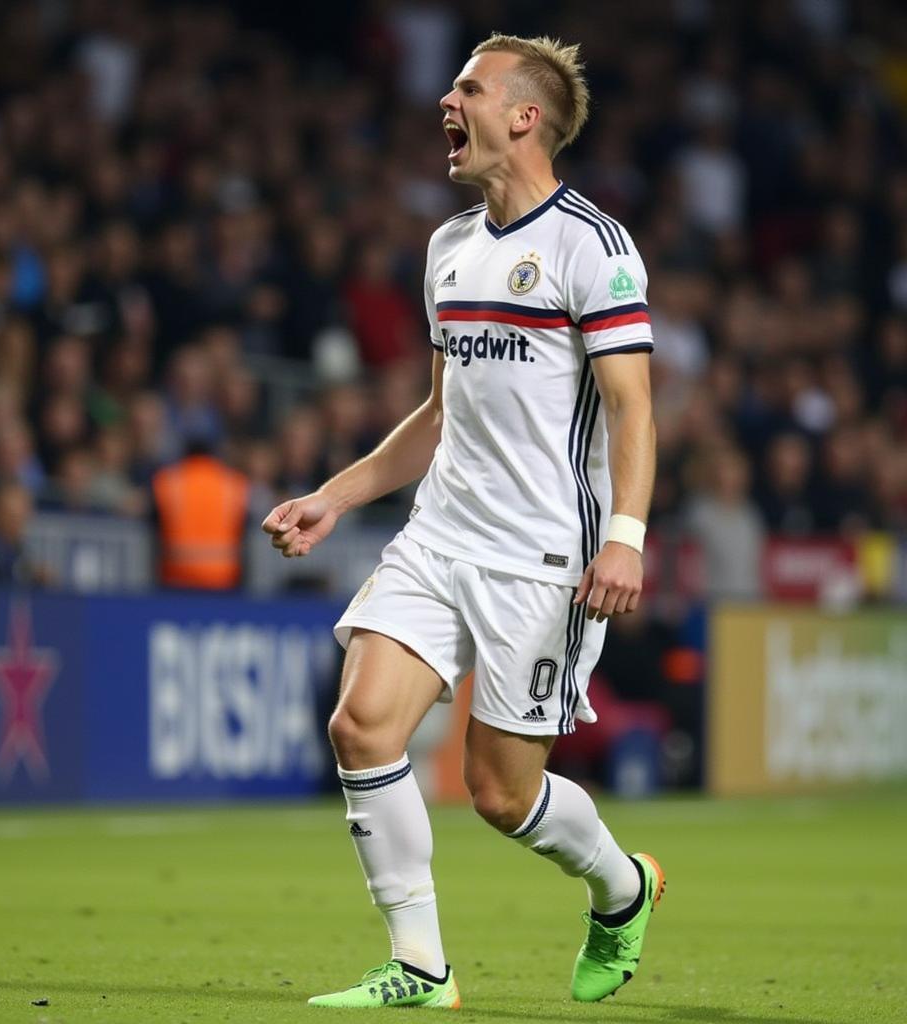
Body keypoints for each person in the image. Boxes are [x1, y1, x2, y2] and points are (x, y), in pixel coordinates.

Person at [263, 33, 662, 1010]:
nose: (447, 100)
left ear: (524, 117)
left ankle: (622, 888)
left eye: (469, 89)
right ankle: (421, 968)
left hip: (538, 558)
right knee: (359, 725)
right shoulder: (447, 246)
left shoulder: (592, 247)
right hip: (438, 538)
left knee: (499, 793)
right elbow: (436, 414)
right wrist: (337, 493)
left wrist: (626, 534)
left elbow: (632, 409)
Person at [152, 441, 249, 589]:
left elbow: (154, 526)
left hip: (176, 576)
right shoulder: (233, 483)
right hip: (223, 577)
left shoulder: (168, 481)